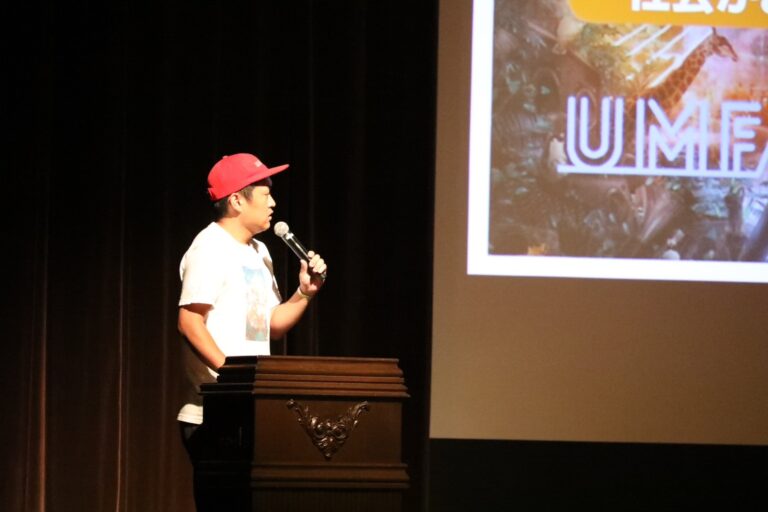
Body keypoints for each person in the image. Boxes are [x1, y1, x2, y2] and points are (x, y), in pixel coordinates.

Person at [176, 152, 326, 509]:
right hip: (213, 412)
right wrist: (232, 378)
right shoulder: (209, 248)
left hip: (252, 407)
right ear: (237, 201)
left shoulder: (260, 252)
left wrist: (304, 293)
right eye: (265, 194)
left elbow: (271, 325)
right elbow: (190, 322)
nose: (273, 203)